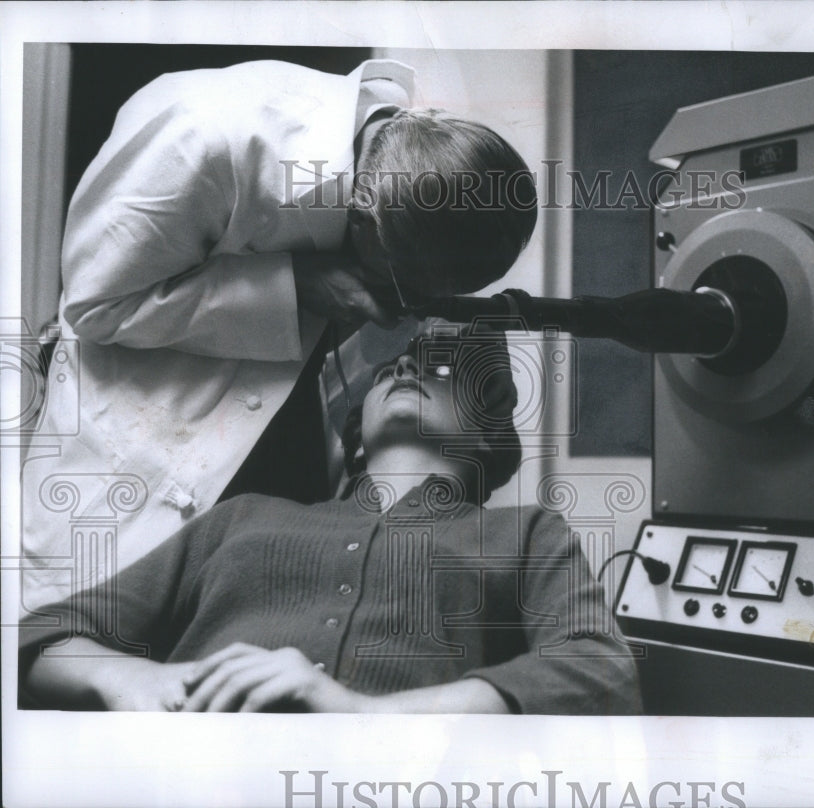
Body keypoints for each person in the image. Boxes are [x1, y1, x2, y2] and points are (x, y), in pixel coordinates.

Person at [20, 58, 537, 610]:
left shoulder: (406, 193)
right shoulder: (203, 133)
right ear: (362, 219)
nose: (410, 307)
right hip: (132, 487)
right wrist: (296, 288)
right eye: (406, 286)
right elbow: (96, 303)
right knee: (81, 639)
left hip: (270, 497)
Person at [20, 329, 641, 715]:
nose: (405, 370)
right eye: (390, 369)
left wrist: (364, 716)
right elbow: (42, 633)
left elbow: (599, 671)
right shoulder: (242, 518)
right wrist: (131, 679)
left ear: (487, 435)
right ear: (358, 438)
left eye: (439, 372)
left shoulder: (527, 532)